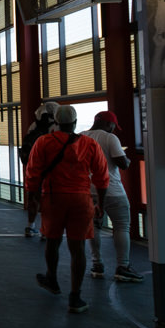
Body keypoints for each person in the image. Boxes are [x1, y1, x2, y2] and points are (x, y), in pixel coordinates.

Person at [25, 105, 109, 313]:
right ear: (75, 122)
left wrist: (33, 197)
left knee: (52, 242)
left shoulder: (43, 142)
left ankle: (52, 279)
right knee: (77, 248)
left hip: (53, 198)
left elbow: (33, 171)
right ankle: (75, 296)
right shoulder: (89, 144)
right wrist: (100, 203)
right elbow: (101, 176)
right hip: (81, 199)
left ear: (56, 122)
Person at [81, 111, 143, 283]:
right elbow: (122, 163)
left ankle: (97, 264)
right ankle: (123, 267)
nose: (114, 129)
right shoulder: (110, 138)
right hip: (112, 190)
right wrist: (127, 160)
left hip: (88, 190)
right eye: (114, 126)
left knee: (94, 227)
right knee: (122, 226)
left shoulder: (80, 137)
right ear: (109, 124)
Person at [19, 101, 59, 237]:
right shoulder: (56, 127)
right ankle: (45, 230)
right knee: (49, 200)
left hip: (34, 169)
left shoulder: (33, 126)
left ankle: (30, 226)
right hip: (51, 169)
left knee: (33, 198)